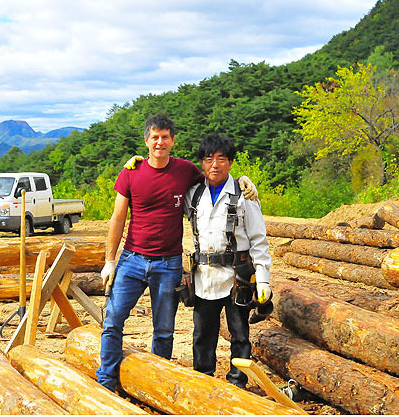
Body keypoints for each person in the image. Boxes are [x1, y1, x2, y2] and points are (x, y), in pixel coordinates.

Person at [96, 115, 257, 392]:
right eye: (154, 137)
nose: (160, 142)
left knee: (164, 330)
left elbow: (215, 176)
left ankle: (155, 386)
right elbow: (117, 218)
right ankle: (106, 382)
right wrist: (110, 261)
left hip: (168, 263)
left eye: (165, 137)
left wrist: (243, 179)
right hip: (131, 259)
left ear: (173, 141)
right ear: (146, 140)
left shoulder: (185, 171)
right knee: (112, 321)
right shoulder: (130, 173)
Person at [185, 133, 272, 388]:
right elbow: (163, 183)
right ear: (201, 162)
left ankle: (238, 383)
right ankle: (203, 381)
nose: (215, 164)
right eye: (209, 158)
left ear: (231, 162)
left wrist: (263, 279)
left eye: (221, 158)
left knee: (240, 333)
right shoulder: (193, 195)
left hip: (238, 276)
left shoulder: (245, 195)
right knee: (202, 334)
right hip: (204, 277)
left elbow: (258, 240)